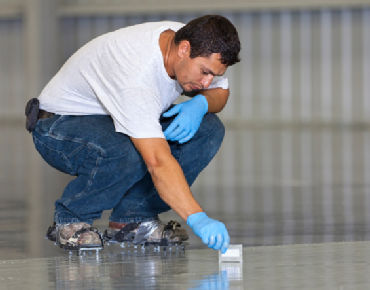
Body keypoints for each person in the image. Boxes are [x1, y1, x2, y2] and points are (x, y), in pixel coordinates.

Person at [26, 15, 241, 254]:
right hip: (60, 125)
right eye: (204, 72)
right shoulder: (137, 74)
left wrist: (201, 103)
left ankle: (133, 219)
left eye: (213, 74)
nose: (207, 81)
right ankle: (71, 219)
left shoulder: (195, 41)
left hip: (113, 116)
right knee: (125, 150)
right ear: (183, 49)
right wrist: (197, 217)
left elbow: (220, 94)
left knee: (208, 129)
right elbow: (157, 162)